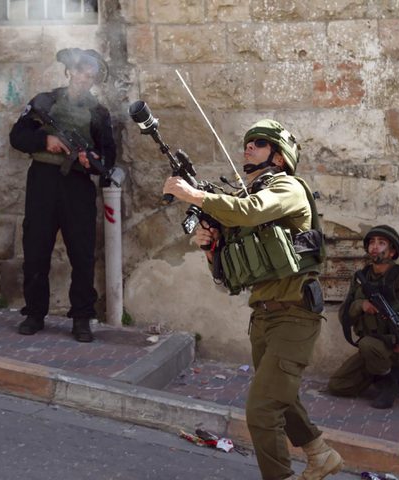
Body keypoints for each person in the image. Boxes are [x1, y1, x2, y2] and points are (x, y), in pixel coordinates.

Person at [163, 120, 343, 480]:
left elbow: (250, 210)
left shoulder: (287, 188)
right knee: (281, 396)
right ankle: (320, 455)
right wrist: (210, 246)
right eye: (247, 143)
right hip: (262, 319)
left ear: (279, 155)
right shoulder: (247, 206)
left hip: (294, 316)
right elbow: (227, 277)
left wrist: (193, 195)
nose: (248, 148)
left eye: (258, 143)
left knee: (262, 409)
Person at [9, 48, 116, 342]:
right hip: (43, 182)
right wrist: (46, 140)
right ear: (69, 71)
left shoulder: (99, 113)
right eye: (81, 71)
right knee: (36, 249)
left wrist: (91, 161)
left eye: (91, 74)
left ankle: (82, 317)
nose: (86, 78)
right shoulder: (45, 103)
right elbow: (17, 137)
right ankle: (34, 313)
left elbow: (108, 158)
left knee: (82, 254)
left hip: (78, 186)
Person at [327, 225, 399, 409]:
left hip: (398, 346)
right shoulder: (361, 277)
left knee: (367, 344)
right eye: (372, 243)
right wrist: (361, 306)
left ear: (392, 252)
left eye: (381, 243)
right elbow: (344, 315)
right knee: (338, 385)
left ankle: (392, 381)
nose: (375, 247)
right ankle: (381, 375)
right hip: (373, 347)